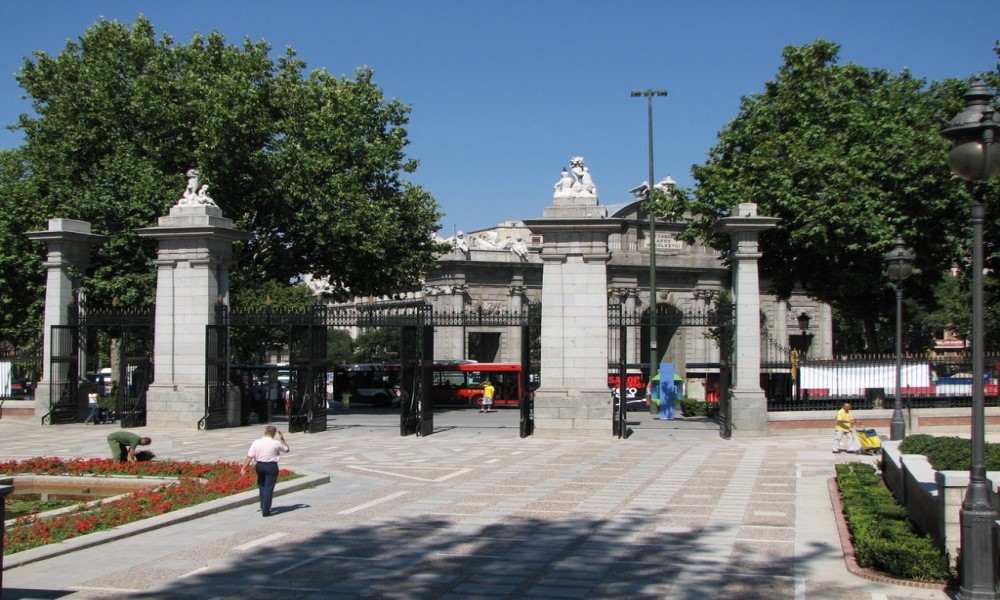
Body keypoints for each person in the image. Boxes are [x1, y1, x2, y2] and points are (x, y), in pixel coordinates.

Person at [240, 425, 290, 517]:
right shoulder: (276, 443)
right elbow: (287, 450)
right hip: (271, 466)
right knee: (269, 487)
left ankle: (263, 505)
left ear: (265, 432)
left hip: (259, 466)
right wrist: (282, 438)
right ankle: (266, 510)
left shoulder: (256, 442)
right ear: (274, 434)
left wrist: (244, 467)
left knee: (261, 485)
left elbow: (250, 456)